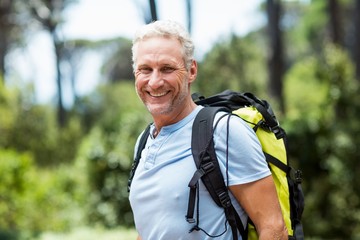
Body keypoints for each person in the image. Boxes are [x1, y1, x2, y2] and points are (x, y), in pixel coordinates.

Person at [128, 20, 287, 240]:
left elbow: (273, 226)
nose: (154, 82)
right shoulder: (144, 141)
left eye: (167, 68)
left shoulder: (224, 131)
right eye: (145, 69)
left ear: (191, 70)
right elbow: (151, 230)